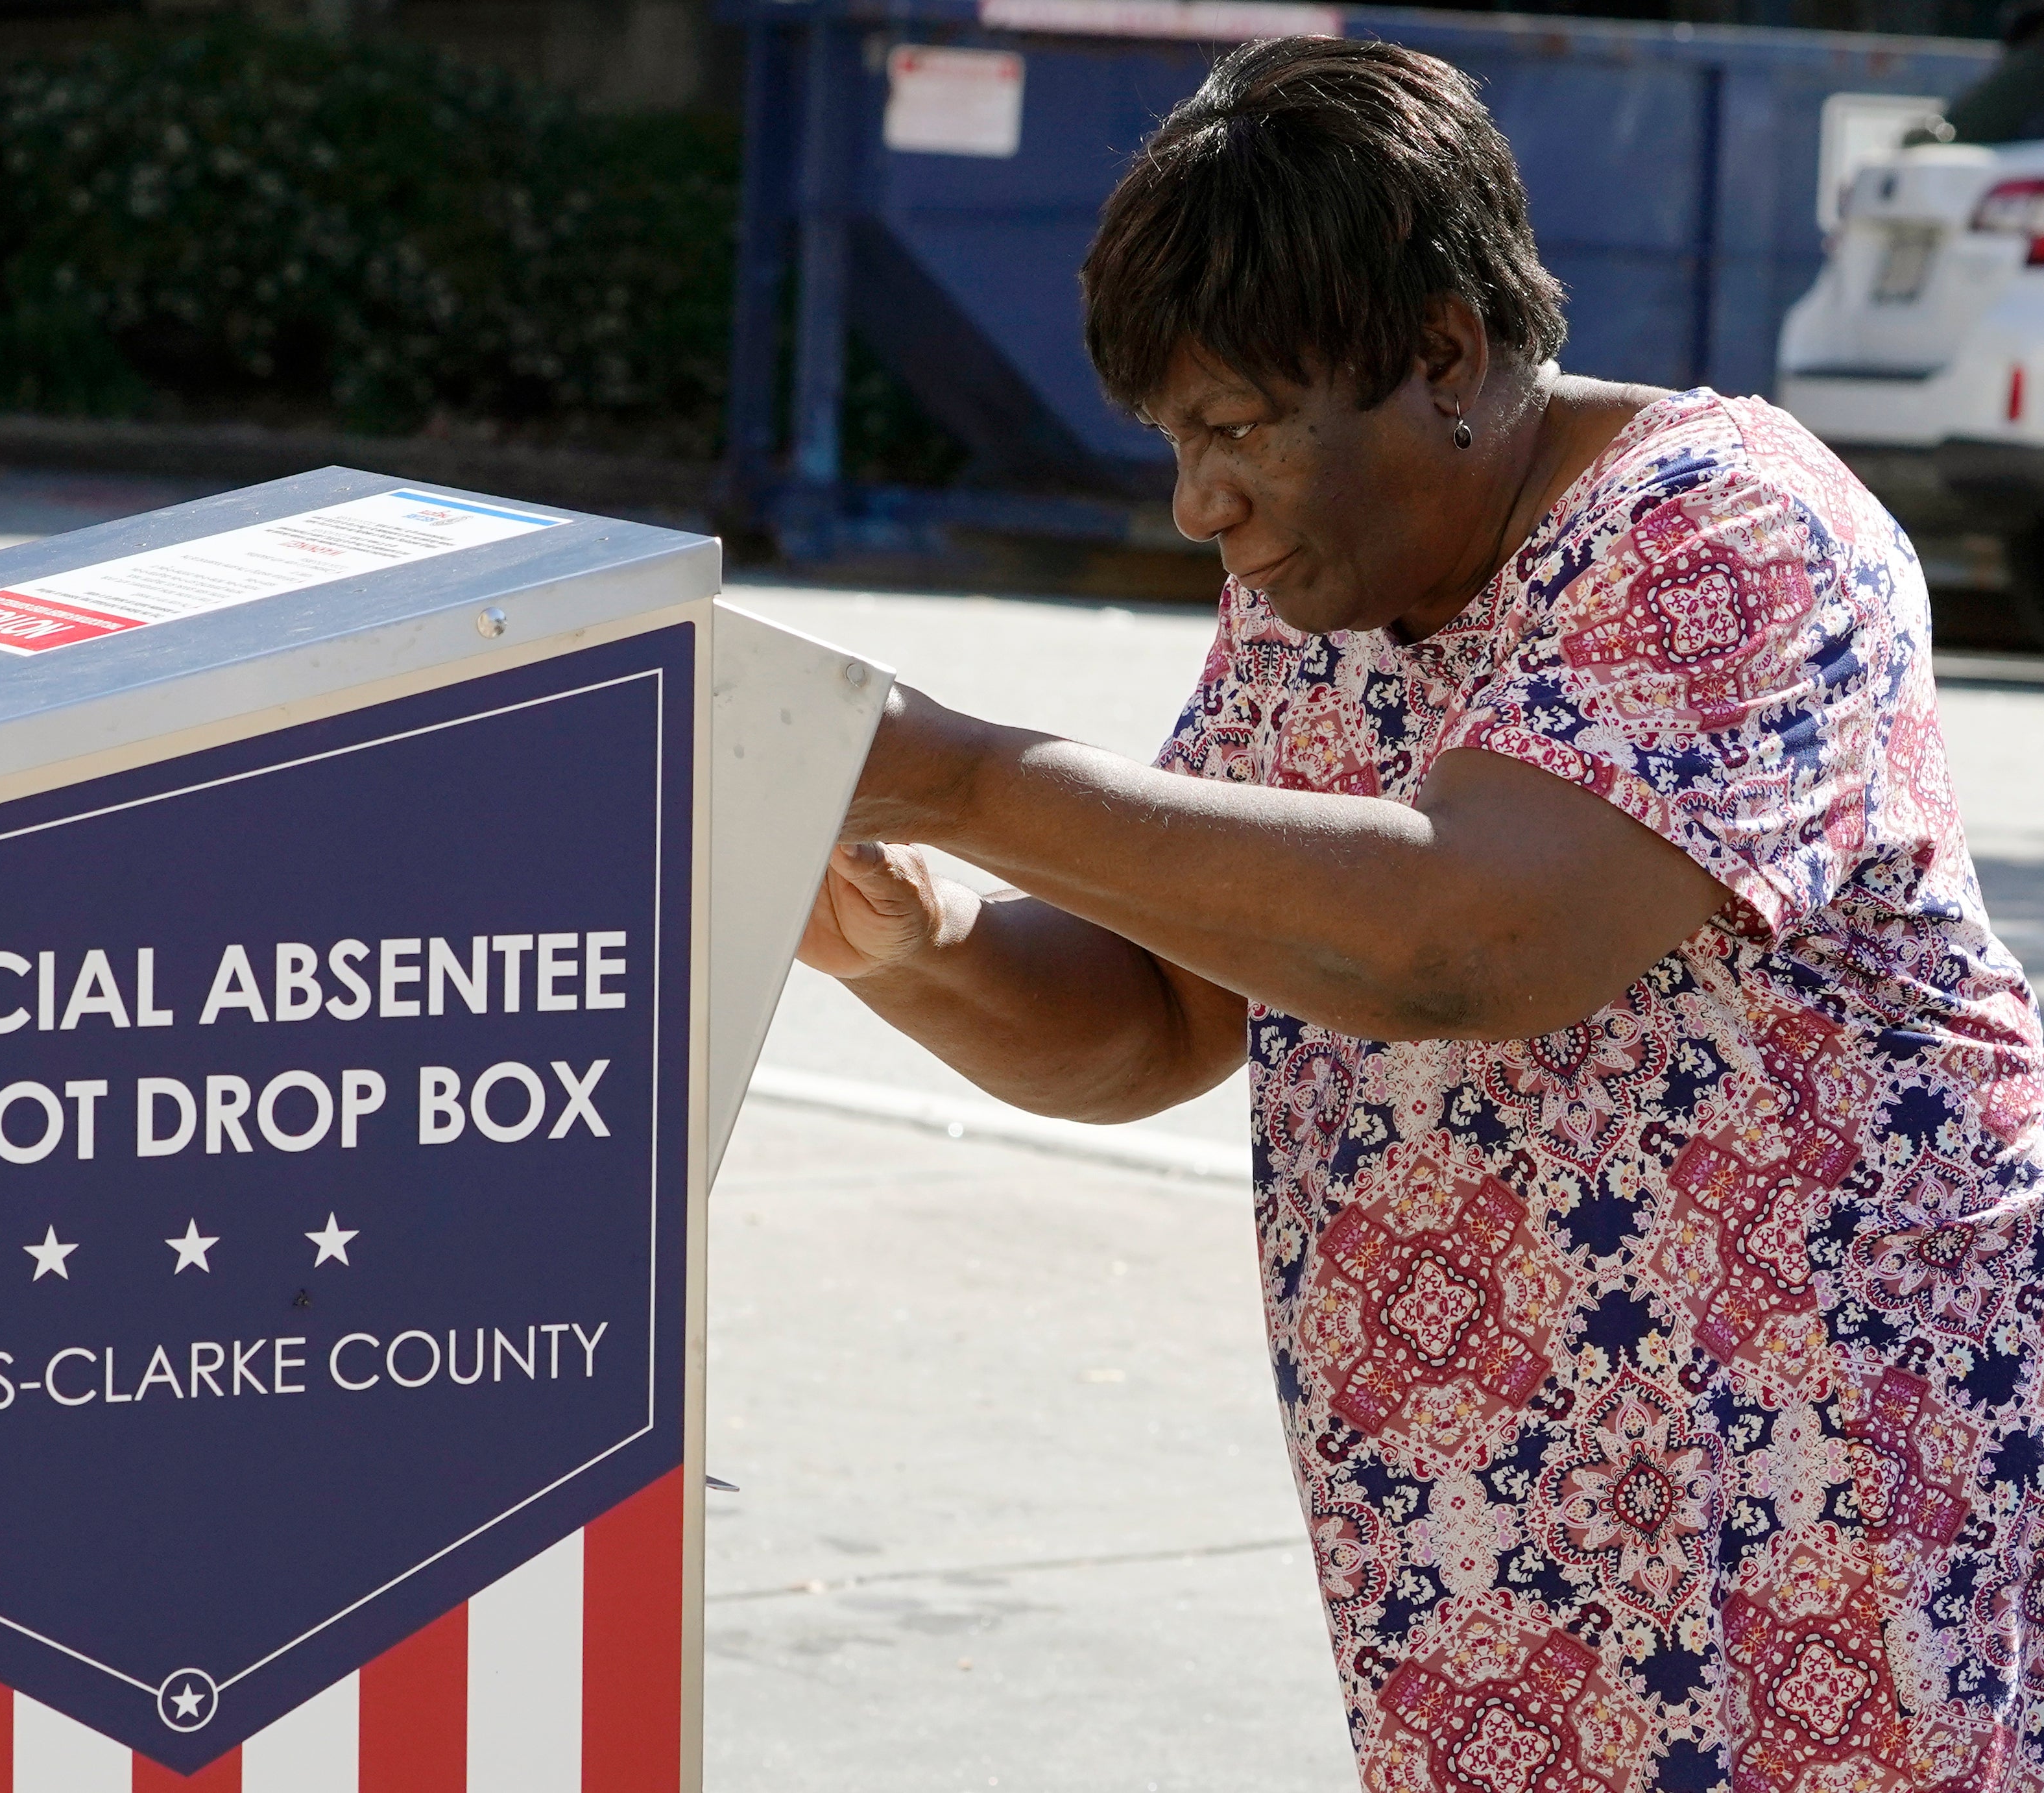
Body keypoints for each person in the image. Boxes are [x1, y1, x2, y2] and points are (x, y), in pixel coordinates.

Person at [799, 35, 2044, 1790]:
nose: (1194, 502)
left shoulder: (1724, 532)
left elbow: (1463, 939)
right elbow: (1166, 1011)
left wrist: (958, 773)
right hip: (1495, 1553)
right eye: (1172, 439)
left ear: (1444, 358)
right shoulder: (1319, 601)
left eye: (1231, 428)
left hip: (1828, 1515)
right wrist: (919, 945)